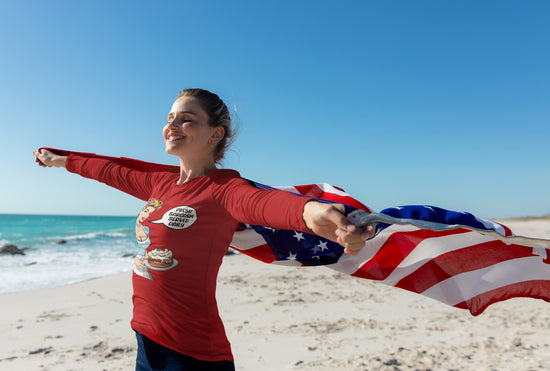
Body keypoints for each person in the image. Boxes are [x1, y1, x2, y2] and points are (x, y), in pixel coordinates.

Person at [33, 88, 374, 371]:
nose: (172, 125)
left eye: (187, 119)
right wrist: (61, 160)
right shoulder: (159, 183)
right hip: (145, 338)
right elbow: (107, 170)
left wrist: (309, 212)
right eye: (170, 118)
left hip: (192, 354)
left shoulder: (224, 189)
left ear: (215, 134)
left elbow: (264, 204)